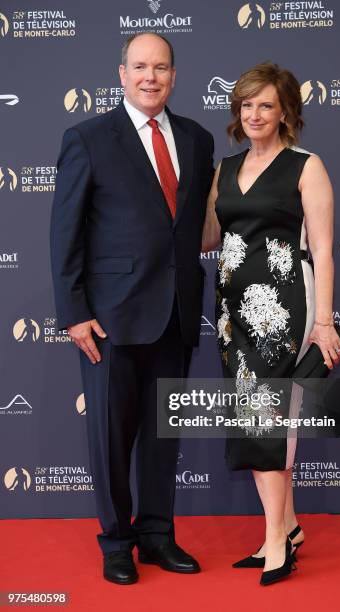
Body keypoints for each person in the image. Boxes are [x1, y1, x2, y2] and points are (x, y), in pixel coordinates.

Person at [50, 33, 214, 585]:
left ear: (174, 76)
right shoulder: (89, 138)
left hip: (177, 312)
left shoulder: (197, 138)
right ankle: (116, 542)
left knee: (164, 434)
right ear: (121, 73)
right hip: (110, 319)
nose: (151, 77)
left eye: (161, 67)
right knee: (112, 438)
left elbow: (193, 227)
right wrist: (74, 311)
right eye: (140, 66)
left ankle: (157, 535)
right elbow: (64, 233)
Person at [202, 62, 340, 586]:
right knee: (258, 418)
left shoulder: (306, 166)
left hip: (286, 307)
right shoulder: (226, 168)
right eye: (246, 105)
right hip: (233, 311)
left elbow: (325, 251)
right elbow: (207, 239)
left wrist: (325, 322)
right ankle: (285, 527)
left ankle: (276, 543)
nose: (255, 114)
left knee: (268, 421)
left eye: (266, 104)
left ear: (285, 110)